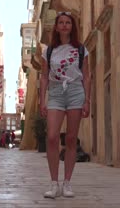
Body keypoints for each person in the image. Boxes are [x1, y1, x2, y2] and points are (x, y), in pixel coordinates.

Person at [40, 11, 90, 199]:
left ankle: (67, 182)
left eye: (68, 22)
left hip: (76, 91)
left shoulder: (81, 49)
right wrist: (41, 100)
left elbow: (86, 75)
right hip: (56, 93)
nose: (64, 25)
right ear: (56, 26)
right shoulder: (49, 50)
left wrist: (87, 100)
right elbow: (44, 77)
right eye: (61, 22)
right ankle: (54, 183)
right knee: (52, 136)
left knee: (70, 138)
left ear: (72, 26)